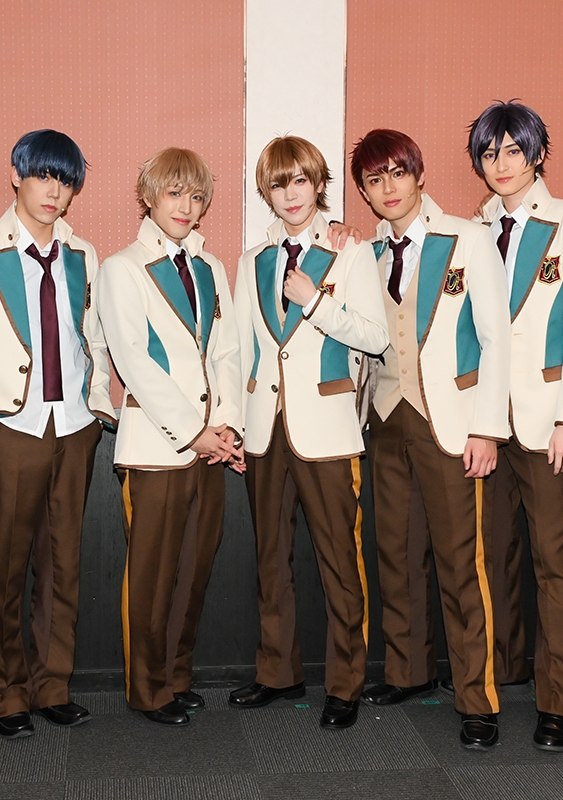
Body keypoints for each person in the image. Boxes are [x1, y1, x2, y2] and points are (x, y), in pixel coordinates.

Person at [0, 130, 115, 739]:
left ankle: (51, 686)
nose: (53, 190)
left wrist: (97, 403)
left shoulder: (83, 254)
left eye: (64, 180)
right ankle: (5, 692)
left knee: (64, 565)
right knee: (7, 568)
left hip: (74, 427)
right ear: (16, 175)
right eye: (42, 176)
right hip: (10, 427)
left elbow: (91, 336)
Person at [351, 129, 511, 749]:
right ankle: (407, 671)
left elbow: (495, 338)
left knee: (461, 565)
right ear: (365, 192)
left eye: (398, 173)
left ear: (419, 175)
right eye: (374, 179)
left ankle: (478, 698)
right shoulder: (363, 253)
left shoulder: (468, 239)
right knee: (396, 554)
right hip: (386, 417)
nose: (388, 188)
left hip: (453, 424)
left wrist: (487, 428)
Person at [228, 136, 389, 729]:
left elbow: (376, 337)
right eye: (278, 184)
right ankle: (278, 672)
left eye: (300, 181)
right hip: (264, 430)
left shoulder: (351, 250)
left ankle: (345, 685)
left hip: (327, 429)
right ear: (266, 192)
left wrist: (315, 302)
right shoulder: (252, 260)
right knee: (270, 561)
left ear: (319, 185)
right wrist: (236, 425)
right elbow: (240, 349)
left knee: (340, 563)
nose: (291, 194)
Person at [468, 101, 563, 752]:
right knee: (490, 561)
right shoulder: (473, 229)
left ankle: (558, 702)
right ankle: (496, 682)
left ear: (538, 154)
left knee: (554, 565)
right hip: (485, 426)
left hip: (550, 423)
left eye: (514, 150)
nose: (501, 164)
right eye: (489, 153)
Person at [96, 148, 243, 726]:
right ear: (149, 196)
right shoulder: (122, 268)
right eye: (175, 193)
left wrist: (226, 426)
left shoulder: (211, 268)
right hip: (159, 448)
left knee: (193, 571)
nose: (186, 206)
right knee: (153, 578)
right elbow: (133, 361)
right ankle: (148, 688)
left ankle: (177, 676)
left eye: (196, 196)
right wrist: (193, 432)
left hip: (210, 447)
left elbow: (226, 352)